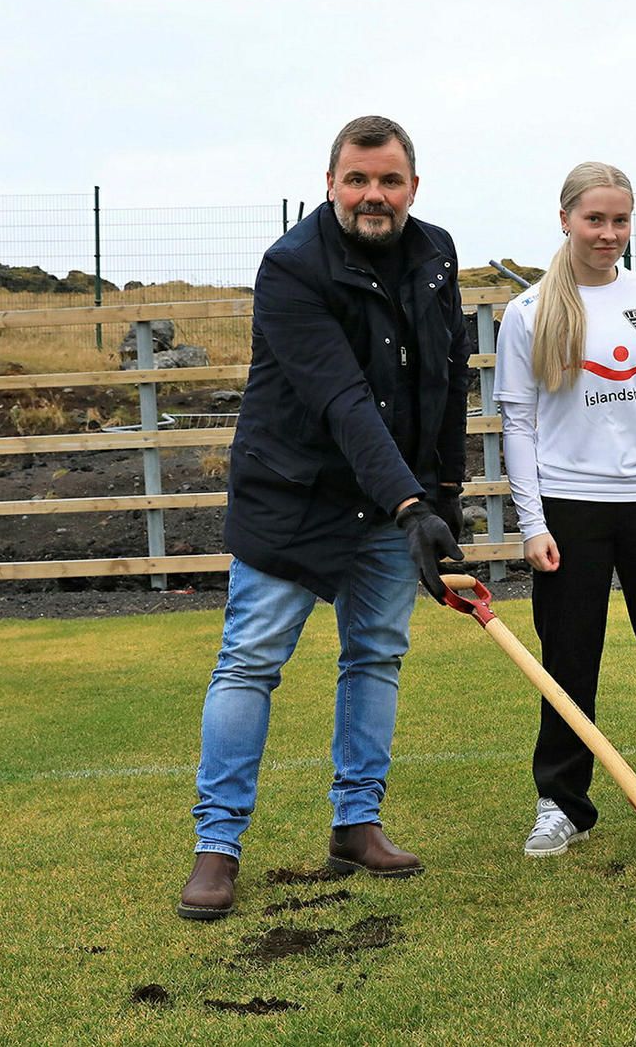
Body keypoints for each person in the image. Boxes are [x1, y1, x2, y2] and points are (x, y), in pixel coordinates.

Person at [178, 116, 469, 919]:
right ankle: (217, 845)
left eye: (390, 181)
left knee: (375, 654)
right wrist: (412, 502)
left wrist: (443, 500)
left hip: (391, 502)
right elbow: (341, 396)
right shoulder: (291, 267)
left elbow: (446, 380)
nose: (373, 195)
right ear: (330, 182)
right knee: (251, 661)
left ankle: (357, 824)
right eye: (357, 180)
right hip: (291, 498)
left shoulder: (436, 253)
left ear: (414, 185)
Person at [495, 162, 636, 858]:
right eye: (594, 219)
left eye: (619, 220)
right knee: (568, 660)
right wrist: (533, 522)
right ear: (565, 218)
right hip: (571, 508)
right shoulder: (529, 311)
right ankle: (561, 803)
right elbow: (518, 424)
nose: (607, 233)